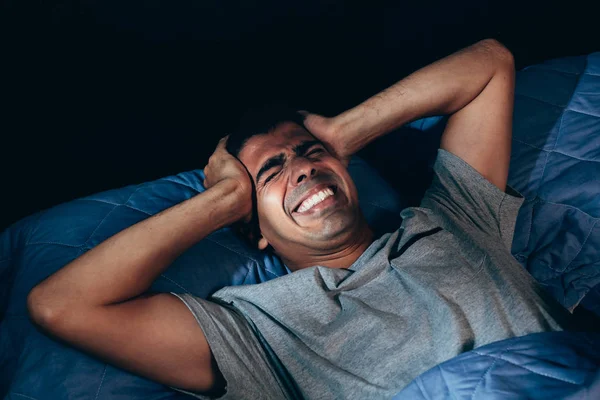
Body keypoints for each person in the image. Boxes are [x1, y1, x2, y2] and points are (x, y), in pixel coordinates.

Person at [27, 39, 571, 399]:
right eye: (273, 173)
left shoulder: (453, 217)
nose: (305, 170)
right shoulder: (254, 328)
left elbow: (491, 62)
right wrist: (221, 198)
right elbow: (61, 304)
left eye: (309, 153)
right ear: (255, 230)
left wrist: (339, 133)